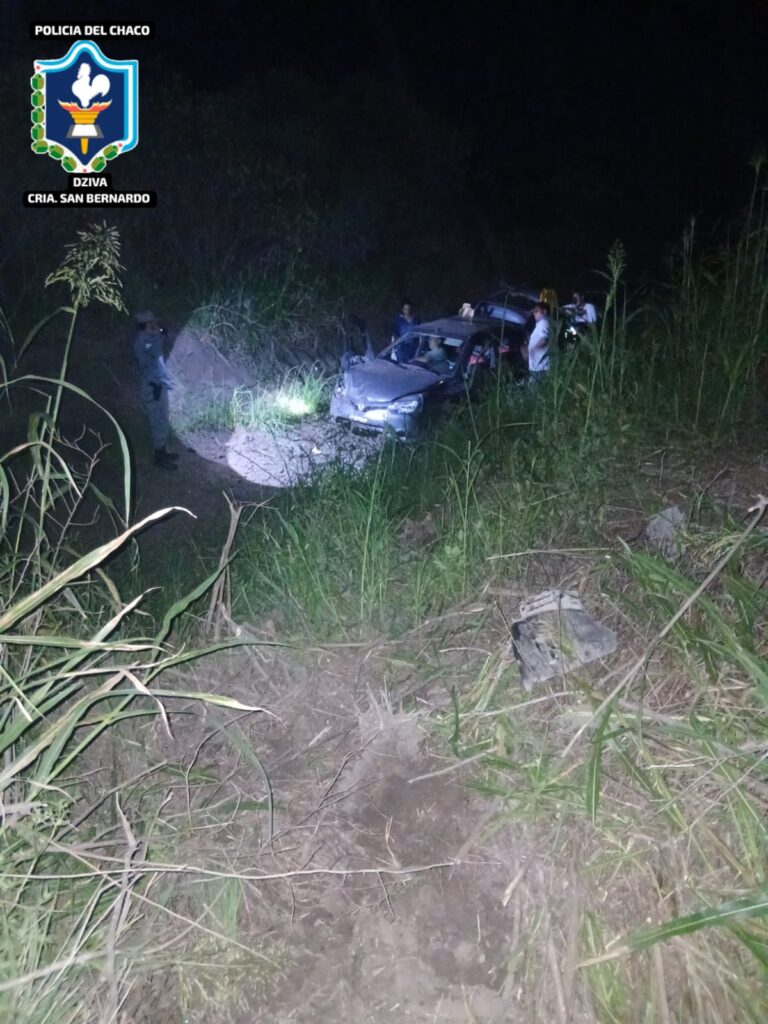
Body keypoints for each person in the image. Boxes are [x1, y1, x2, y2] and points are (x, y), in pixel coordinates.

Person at [133, 310, 177, 470]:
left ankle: (162, 452)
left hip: (158, 383)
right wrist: (160, 334)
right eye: (151, 323)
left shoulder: (149, 338)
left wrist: (160, 334)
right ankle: (159, 458)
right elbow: (154, 351)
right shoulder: (144, 340)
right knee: (157, 420)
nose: (155, 325)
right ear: (145, 325)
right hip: (152, 386)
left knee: (162, 418)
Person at [522, 301, 551, 377]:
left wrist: (533, 349)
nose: (534, 313)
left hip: (541, 367)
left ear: (544, 311)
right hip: (538, 366)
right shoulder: (540, 324)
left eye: (536, 311)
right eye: (533, 312)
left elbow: (544, 339)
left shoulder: (544, 323)